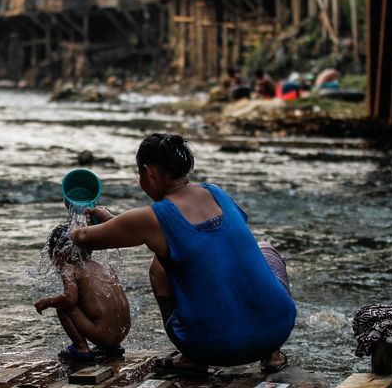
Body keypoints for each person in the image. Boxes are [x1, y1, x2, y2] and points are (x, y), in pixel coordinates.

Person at [70, 133, 296, 372]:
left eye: (139, 174)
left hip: (211, 347)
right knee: (264, 248)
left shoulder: (153, 217)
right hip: (278, 329)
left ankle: (190, 357)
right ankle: (273, 356)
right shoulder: (217, 193)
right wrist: (114, 221)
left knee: (159, 267)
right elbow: (215, 243)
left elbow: (83, 238)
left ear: (148, 172)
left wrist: (75, 217)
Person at [34, 222, 131, 361]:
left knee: (63, 307)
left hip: (103, 335)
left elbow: (70, 299)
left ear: (61, 254)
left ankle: (81, 348)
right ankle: (112, 348)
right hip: (122, 332)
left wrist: (47, 302)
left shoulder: (69, 268)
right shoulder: (105, 268)